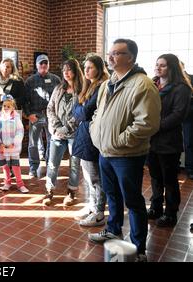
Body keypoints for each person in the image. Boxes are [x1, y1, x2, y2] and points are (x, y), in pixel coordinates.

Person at [88, 38, 161, 262]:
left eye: (117, 53)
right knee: (112, 196)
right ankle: (113, 228)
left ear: (131, 57)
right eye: (110, 53)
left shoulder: (142, 84)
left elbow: (147, 123)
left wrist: (119, 140)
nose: (110, 57)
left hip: (126, 155)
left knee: (133, 201)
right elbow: (97, 114)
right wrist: (95, 131)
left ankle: (138, 249)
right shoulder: (107, 84)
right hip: (105, 152)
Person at [147, 54, 191, 227]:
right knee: (155, 177)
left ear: (172, 68)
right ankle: (156, 207)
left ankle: (171, 213)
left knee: (170, 180)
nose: (158, 68)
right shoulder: (153, 84)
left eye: (163, 65)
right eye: (157, 64)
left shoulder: (181, 88)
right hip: (151, 140)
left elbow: (178, 115)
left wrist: (154, 126)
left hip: (168, 142)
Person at [72, 54, 110, 226]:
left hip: (92, 136)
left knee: (95, 177)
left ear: (99, 68)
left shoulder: (102, 86)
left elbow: (84, 112)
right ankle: (92, 205)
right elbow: (77, 110)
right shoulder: (89, 86)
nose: (86, 70)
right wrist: (79, 109)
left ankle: (99, 212)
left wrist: (80, 109)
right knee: (88, 176)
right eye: (85, 67)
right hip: (85, 134)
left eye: (90, 67)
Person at [43, 58, 83, 206]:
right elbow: (50, 108)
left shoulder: (82, 89)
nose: (66, 73)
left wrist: (68, 127)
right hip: (57, 133)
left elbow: (81, 112)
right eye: (64, 70)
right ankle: (49, 191)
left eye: (69, 69)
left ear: (75, 71)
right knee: (52, 163)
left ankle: (71, 192)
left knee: (74, 164)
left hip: (74, 133)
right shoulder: (59, 88)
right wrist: (57, 127)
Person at [24, 54, 61, 178]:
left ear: (48, 65)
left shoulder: (56, 79)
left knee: (53, 141)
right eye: (41, 64)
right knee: (33, 143)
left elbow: (60, 98)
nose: (43, 66)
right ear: (37, 65)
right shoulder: (30, 81)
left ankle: (50, 165)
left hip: (51, 116)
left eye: (46, 64)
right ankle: (33, 168)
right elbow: (25, 100)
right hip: (36, 115)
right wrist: (29, 115)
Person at [0, 57, 25, 175]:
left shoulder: (17, 81)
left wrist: (12, 100)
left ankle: (12, 166)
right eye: (4, 66)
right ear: (0, 67)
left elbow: (23, 98)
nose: (6, 68)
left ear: (12, 69)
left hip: (12, 114)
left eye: (9, 67)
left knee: (11, 139)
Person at [0, 95, 28, 193]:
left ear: (13, 108)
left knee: (15, 165)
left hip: (13, 146)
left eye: (8, 106)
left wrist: (14, 143)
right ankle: (7, 182)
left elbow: (20, 131)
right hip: (2, 146)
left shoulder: (16, 118)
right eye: (4, 106)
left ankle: (20, 184)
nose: (6, 108)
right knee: (5, 165)